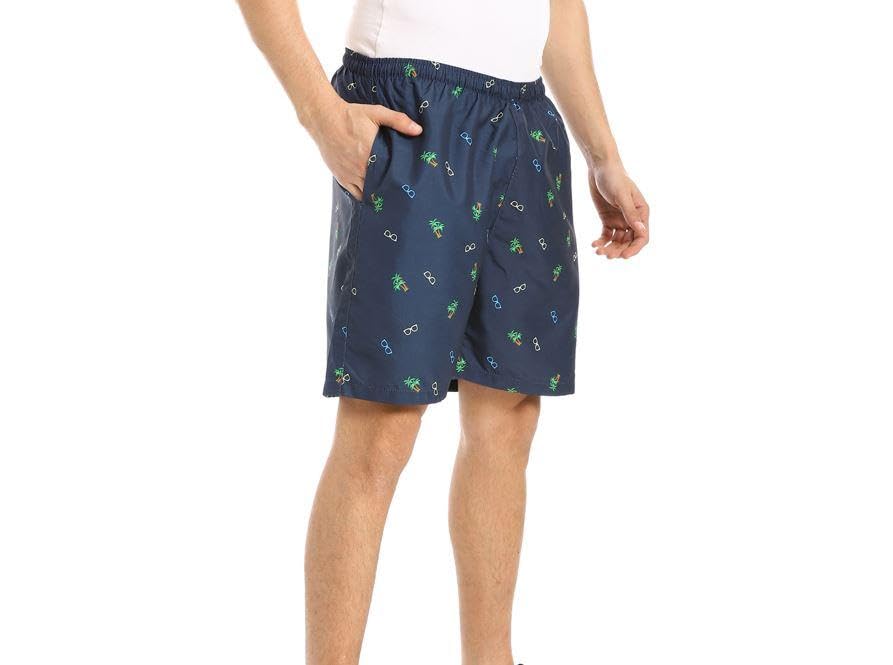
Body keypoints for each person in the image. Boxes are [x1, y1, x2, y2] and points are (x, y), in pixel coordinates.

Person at [237, 0, 650, 662]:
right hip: (412, 104)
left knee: (508, 413)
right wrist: (320, 114)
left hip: (524, 118)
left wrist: (603, 155)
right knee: (383, 421)